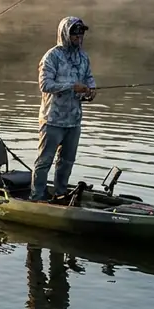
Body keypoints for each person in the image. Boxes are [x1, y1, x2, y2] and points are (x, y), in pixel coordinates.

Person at [32, 16, 95, 201]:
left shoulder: (83, 56)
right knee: (44, 161)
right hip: (52, 119)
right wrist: (72, 86)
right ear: (65, 33)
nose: (79, 36)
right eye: (75, 32)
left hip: (74, 120)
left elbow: (89, 78)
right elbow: (45, 84)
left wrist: (91, 90)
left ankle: (60, 193)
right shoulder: (52, 56)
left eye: (81, 32)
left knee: (67, 161)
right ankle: (37, 196)